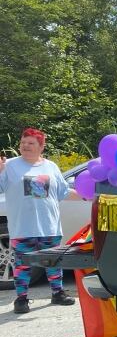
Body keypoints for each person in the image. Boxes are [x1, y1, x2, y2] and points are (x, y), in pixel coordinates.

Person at [0, 128, 80, 314]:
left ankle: (57, 293)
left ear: (41, 146)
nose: (25, 146)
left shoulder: (51, 166)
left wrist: (88, 197)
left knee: (53, 261)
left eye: (30, 143)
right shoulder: (9, 166)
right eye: (23, 143)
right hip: (23, 226)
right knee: (22, 264)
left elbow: (63, 192)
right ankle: (21, 299)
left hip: (49, 225)